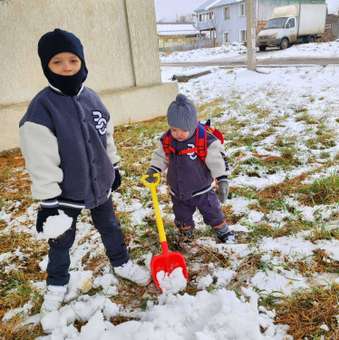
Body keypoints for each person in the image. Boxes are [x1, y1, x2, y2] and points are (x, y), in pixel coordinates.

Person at [19, 28, 150, 314]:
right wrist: (49, 201)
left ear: (81, 62)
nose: (66, 67)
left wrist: (113, 167)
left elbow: (106, 136)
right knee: (61, 240)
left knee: (111, 226)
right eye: (57, 62)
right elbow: (41, 160)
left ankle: (121, 262)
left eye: (72, 60)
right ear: (46, 66)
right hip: (65, 194)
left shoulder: (93, 99)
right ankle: (56, 283)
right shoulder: (41, 110)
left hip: (99, 185)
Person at [145, 94, 235, 243]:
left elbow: (216, 160)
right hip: (178, 191)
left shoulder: (204, 140)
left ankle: (222, 230)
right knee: (182, 217)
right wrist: (154, 169)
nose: (178, 134)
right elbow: (160, 156)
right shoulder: (168, 139)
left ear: (192, 125)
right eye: (174, 129)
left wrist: (222, 179)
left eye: (183, 130)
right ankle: (186, 234)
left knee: (213, 212)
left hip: (202, 190)